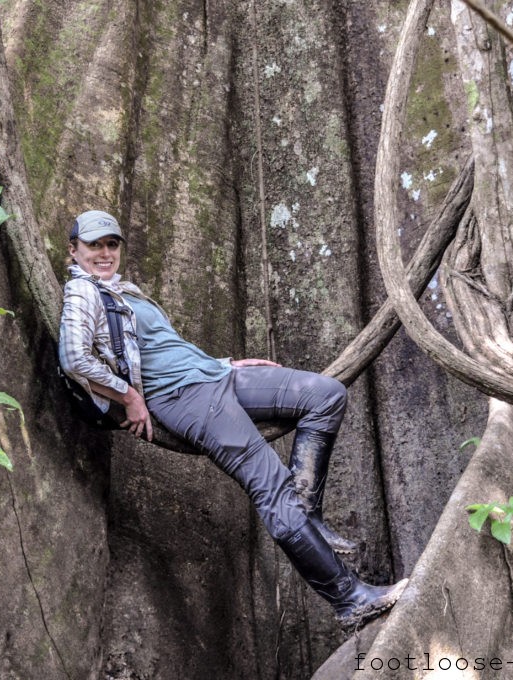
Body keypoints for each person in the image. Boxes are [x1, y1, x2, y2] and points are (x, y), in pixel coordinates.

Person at [58, 209, 407, 629]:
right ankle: (349, 600)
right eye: (93, 245)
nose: (104, 252)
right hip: (185, 398)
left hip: (213, 377)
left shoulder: (122, 290)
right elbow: (74, 357)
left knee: (325, 395)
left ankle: (308, 513)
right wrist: (129, 396)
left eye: (111, 244)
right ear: (73, 250)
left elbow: (165, 347)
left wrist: (226, 364)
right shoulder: (83, 293)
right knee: (272, 486)